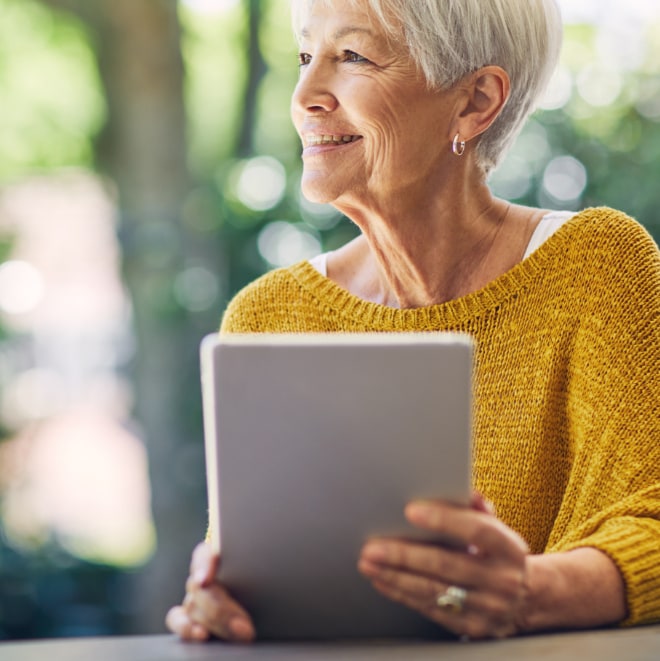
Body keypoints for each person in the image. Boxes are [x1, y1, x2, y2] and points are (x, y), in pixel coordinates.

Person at [166, 0, 660, 642]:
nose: (305, 95)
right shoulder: (266, 316)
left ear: (475, 101)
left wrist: (529, 594)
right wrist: (219, 605)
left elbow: (649, 518)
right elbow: (252, 574)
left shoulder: (596, 265)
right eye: (305, 56)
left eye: (351, 57)